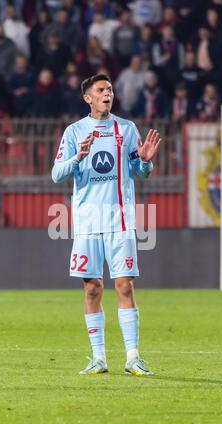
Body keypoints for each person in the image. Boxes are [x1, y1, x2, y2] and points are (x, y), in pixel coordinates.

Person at [51, 74, 161, 376]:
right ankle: (98, 358)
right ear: (88, 97)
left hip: (120, 220)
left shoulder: (126, 129)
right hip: (87, 222)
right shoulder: (74, 132)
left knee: (125, 285)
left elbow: (141, 170)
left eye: (110, 89)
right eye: (101, 90)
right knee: (93, 289)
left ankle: (133, 357)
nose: (107, 93)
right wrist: (78, 156)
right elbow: (57, 174)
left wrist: (146, 160)